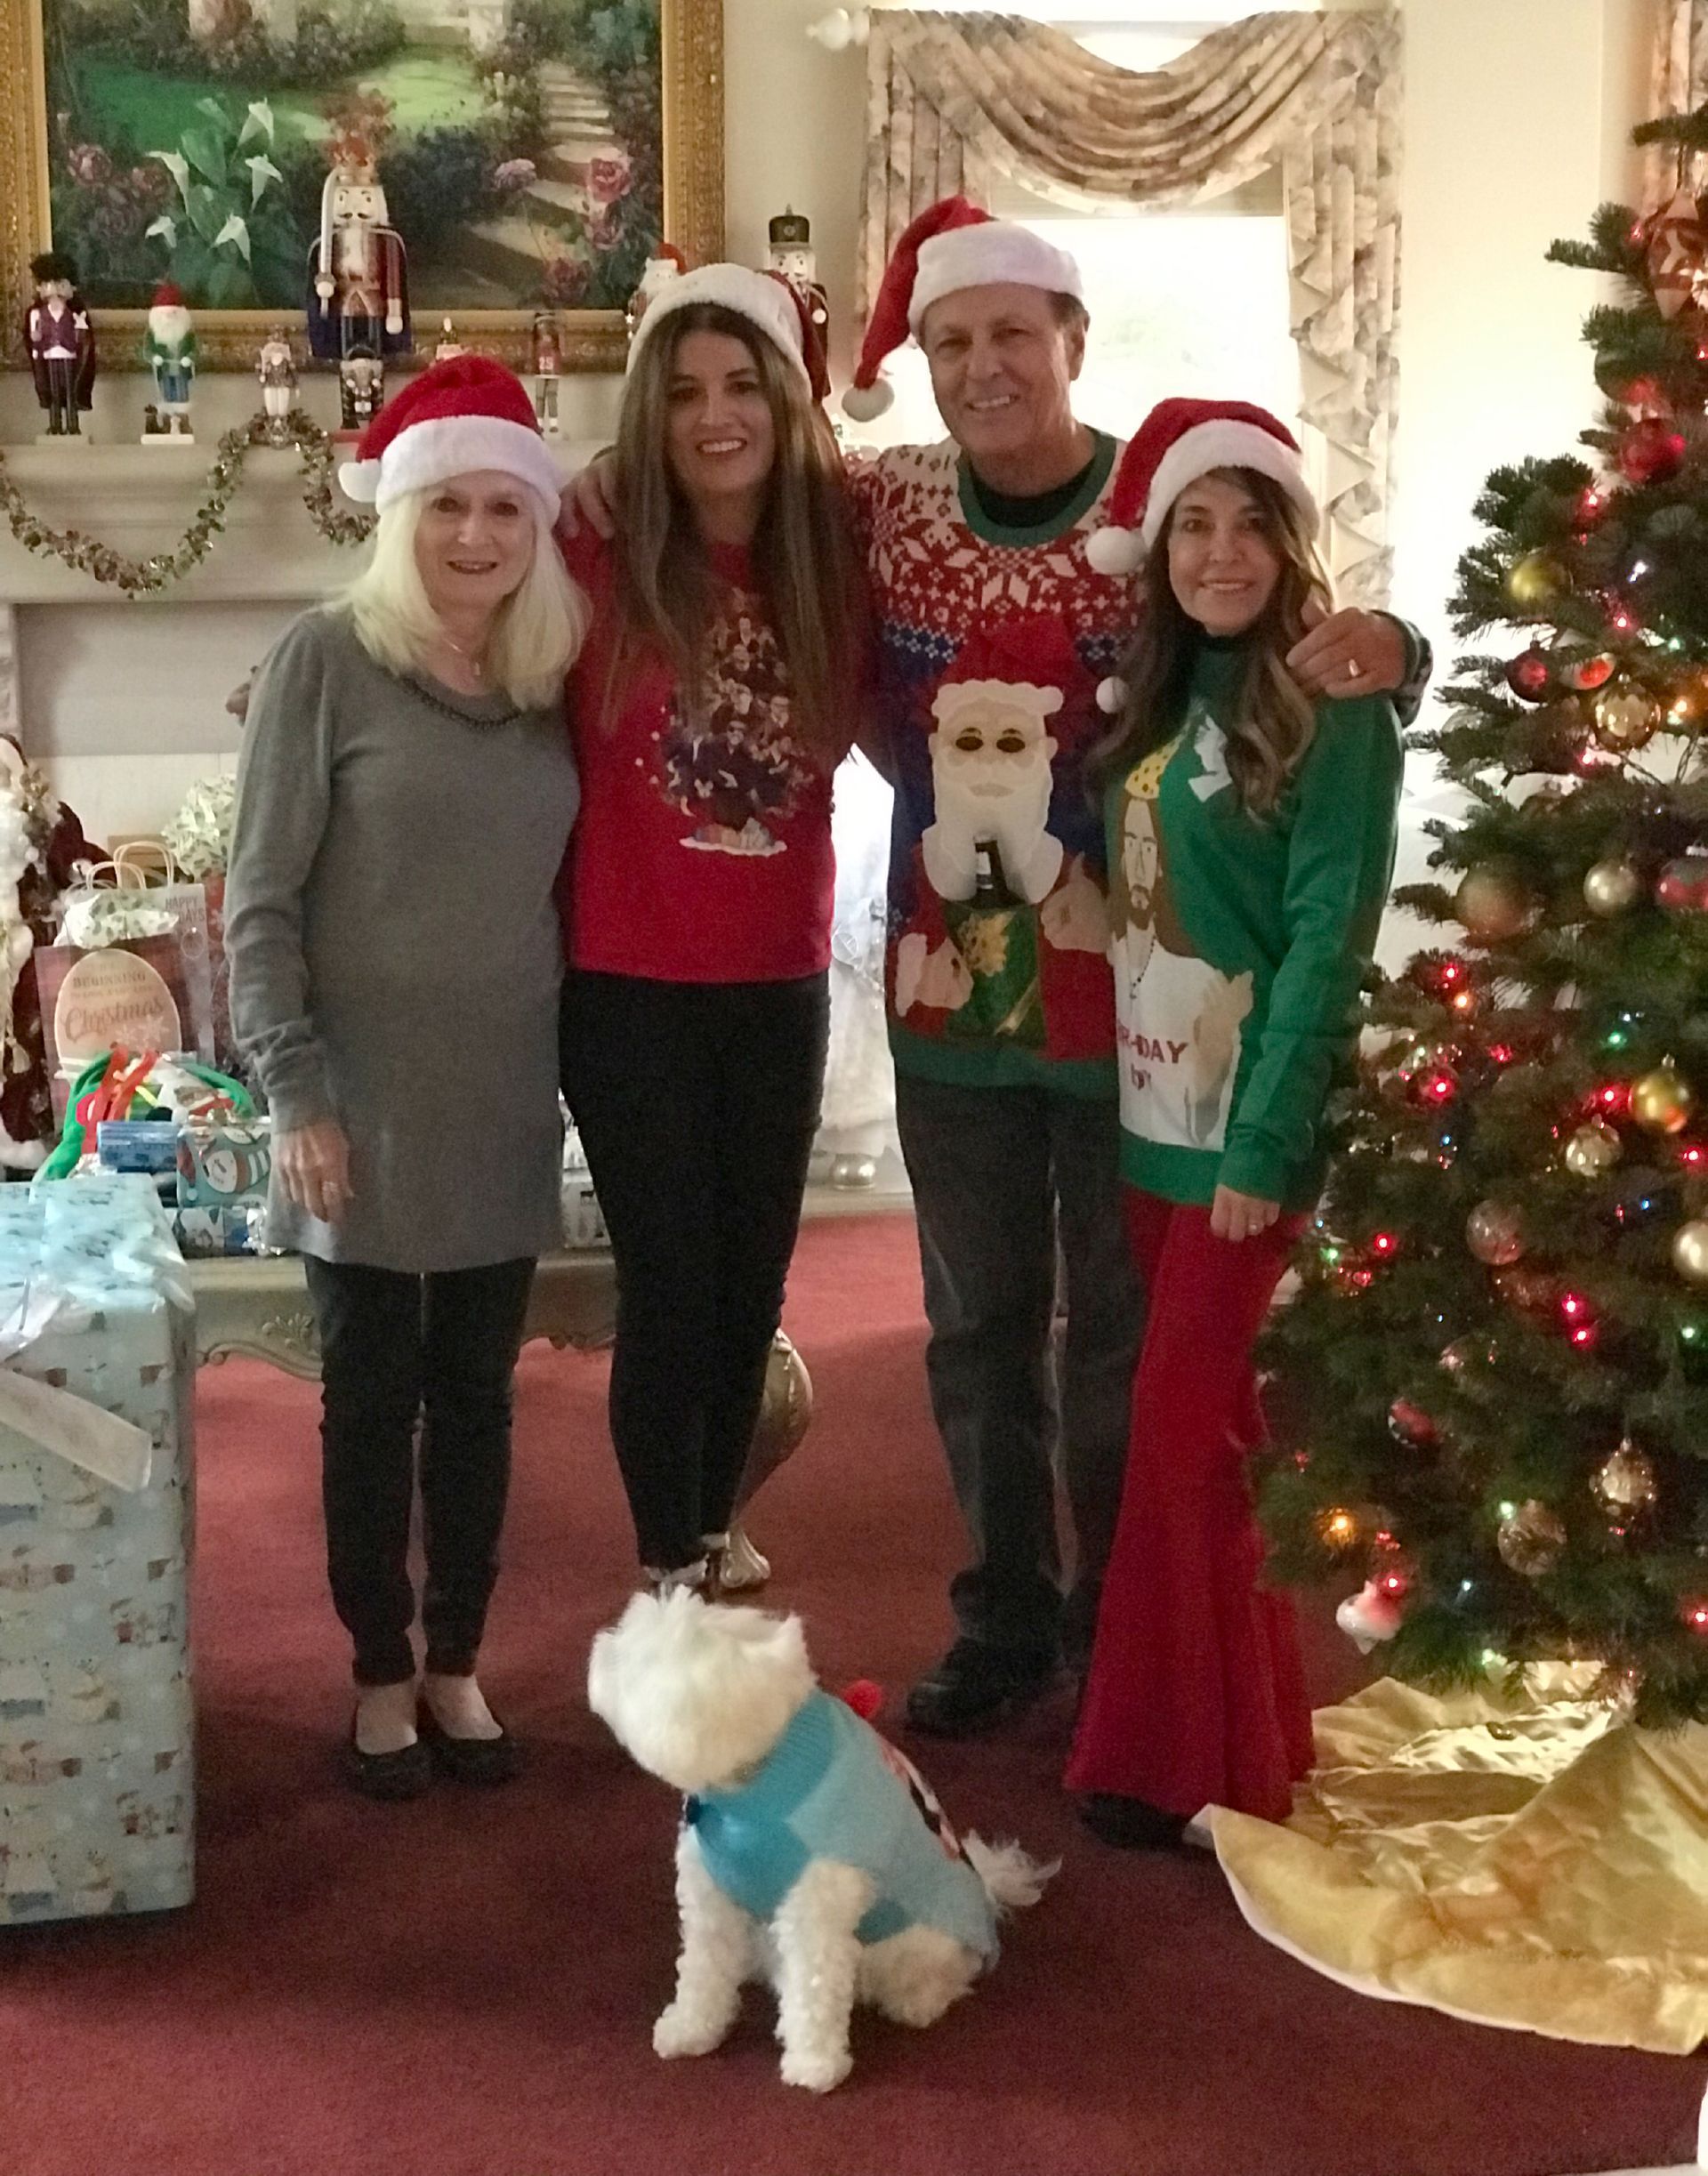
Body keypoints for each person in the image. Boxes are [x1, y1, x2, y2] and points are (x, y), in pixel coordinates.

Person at [835, 197, 1430, 1734]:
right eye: (950, 341)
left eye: (1011, 336)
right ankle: (1005, 1614)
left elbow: (1281, 625)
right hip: (950, 1001)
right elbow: (730, 492)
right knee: (976, 1326)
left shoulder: (1161, 504)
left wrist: (1402, 649)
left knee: (1116, 1337)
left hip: (1136, 1028)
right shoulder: (888, 504)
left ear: (1073, 342)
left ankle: (1118, 1620)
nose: (982, 368)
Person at [224, 356, 588, 1799]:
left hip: (501, 1098)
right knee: (372, 1401)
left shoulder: (548, 679)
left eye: (506, 507)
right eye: (448, 505)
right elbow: (259, 902)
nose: (477, 535)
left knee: (480, 1400)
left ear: (538, 524)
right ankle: (380, 1668)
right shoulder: (326, 659)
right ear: (399, 514)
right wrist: (293, 1089)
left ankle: (458, 1661)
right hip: (356, 1106)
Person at [1064, 399, 1404, 1844]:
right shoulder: (1156, 696)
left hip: (1243, 1142)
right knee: (1213, 1438)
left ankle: (1167, 1759)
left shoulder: (1340, 709)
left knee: (1170, 1429)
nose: (1220, 553)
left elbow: (1330, 941)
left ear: (1290, 542)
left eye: (1250, 524)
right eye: (1192, 525)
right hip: (1153, 1126)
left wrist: (1265, 1146)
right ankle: (1248, 1736)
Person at [556, 264, 865, 1598]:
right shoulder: (590, 545)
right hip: (625, 981)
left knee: (753, 1284)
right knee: (672, 1280)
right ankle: (665, 1560)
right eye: (683, 393)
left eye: (743, 385)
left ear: (788, 400)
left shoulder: (840, 550)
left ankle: (705, 1525)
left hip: (780, 976)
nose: (715, 416)